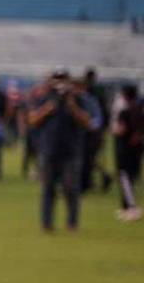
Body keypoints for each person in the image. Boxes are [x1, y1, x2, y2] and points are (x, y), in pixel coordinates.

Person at [28, 69, 100, 233]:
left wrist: (72, 106)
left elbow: (88, 122)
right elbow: (32, 120)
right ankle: (46, 224)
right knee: (48, 188)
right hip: (49, 150)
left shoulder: (78, 99)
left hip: (71, 151)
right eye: (57, 80)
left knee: (71, 188)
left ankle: (72, 223)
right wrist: (47, 109)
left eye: (63, 80)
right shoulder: (45, 98)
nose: (60, 84)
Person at [110, 83, 143, 221]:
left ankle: (131, 207)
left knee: (124, 179)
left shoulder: (125, 112)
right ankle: (125, 207)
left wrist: (114, 131)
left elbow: (121, 130)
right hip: (137, 149)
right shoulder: (140, 110)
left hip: (124, 149)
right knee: (131, 177)